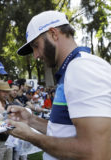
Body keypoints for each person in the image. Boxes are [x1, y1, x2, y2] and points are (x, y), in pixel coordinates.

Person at [6, 10, 111, 160]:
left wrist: (30, 136)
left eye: (36, 46)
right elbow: (63, 131)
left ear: (54, 34)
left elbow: (95, 151)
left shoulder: (81, 68)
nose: (35, 56)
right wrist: (31, 120)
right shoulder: (73, 69)